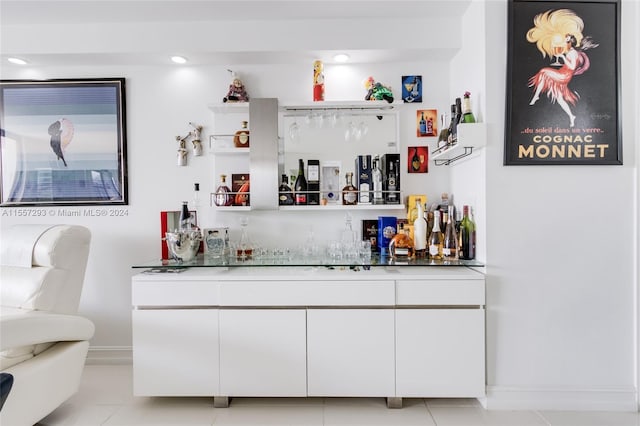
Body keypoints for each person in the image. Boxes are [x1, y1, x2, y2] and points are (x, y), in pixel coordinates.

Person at [528, 34, 586, 127]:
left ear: (570, 43)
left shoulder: (573, 53)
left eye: (566, 41)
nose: (564, 42)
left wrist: (562, 57)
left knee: (543, 72)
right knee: (559, 98)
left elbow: (571, 67)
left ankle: (536, 96)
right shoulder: (570, 51)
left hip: (564, 75)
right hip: (562, 72)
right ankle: (571, 116)